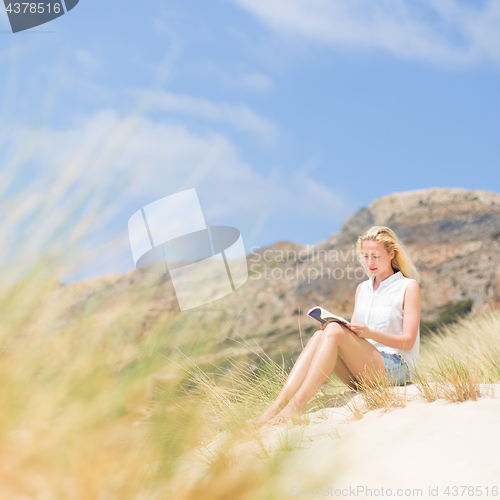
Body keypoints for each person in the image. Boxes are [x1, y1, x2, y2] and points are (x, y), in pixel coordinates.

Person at [250, 225, 421, 425]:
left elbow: (408, 342)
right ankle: (277, 405)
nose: (370, 262)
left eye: (376, 256)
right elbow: (356, 335)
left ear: (392, 254)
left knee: (332, 331)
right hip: (365, 369)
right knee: (320, 335)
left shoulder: (408, 287)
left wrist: (369, 333)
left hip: (395, 367)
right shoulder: (362, 289)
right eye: (366, 256)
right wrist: (344, 328)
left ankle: (297, 406)